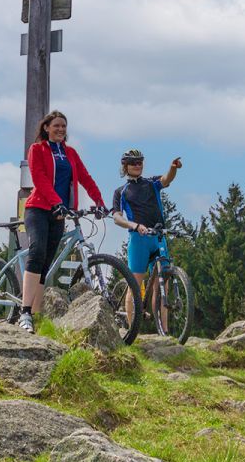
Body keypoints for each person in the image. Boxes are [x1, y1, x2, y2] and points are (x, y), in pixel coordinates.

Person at [18, 110, 107, 333]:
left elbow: (86, 178)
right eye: (56, 125)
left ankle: (35, 317)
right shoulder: (37, 149)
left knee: (47, 263)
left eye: (64, 126)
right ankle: (25, 312)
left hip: (59, 213)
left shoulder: (70, 153)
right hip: (38, 208)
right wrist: (56, 200)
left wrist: (99, 201)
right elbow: (39, 177)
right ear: (46, 127)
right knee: (37, 252)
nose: (60, 129)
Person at [111, 149, 182, 324]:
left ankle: (164, 331)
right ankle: (131, 329)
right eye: (133, 162)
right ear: (125, 166)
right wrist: (133, 225)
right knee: (135, 285)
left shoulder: (151, 183)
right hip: (139, 239)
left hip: (158, 237)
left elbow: (167, 179)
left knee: (162, 285)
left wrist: (173, 168)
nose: (137, 165)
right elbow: (116, 217)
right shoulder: (121, 191)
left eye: (140, 162)